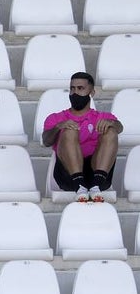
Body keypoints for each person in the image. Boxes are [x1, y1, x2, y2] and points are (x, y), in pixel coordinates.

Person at [42, 71, 122, 202]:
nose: (75, 93)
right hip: (68, 176)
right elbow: (46, 141)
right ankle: (79, 185)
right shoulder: (56, 118)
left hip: (98, 173)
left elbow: (119, 128)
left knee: (111, 130)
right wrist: (58, 127)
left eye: (80, 88)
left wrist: (111, 123)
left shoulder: (103, 117)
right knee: (69, 131)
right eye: (72, 89)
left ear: (92, 92)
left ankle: (96, 185)